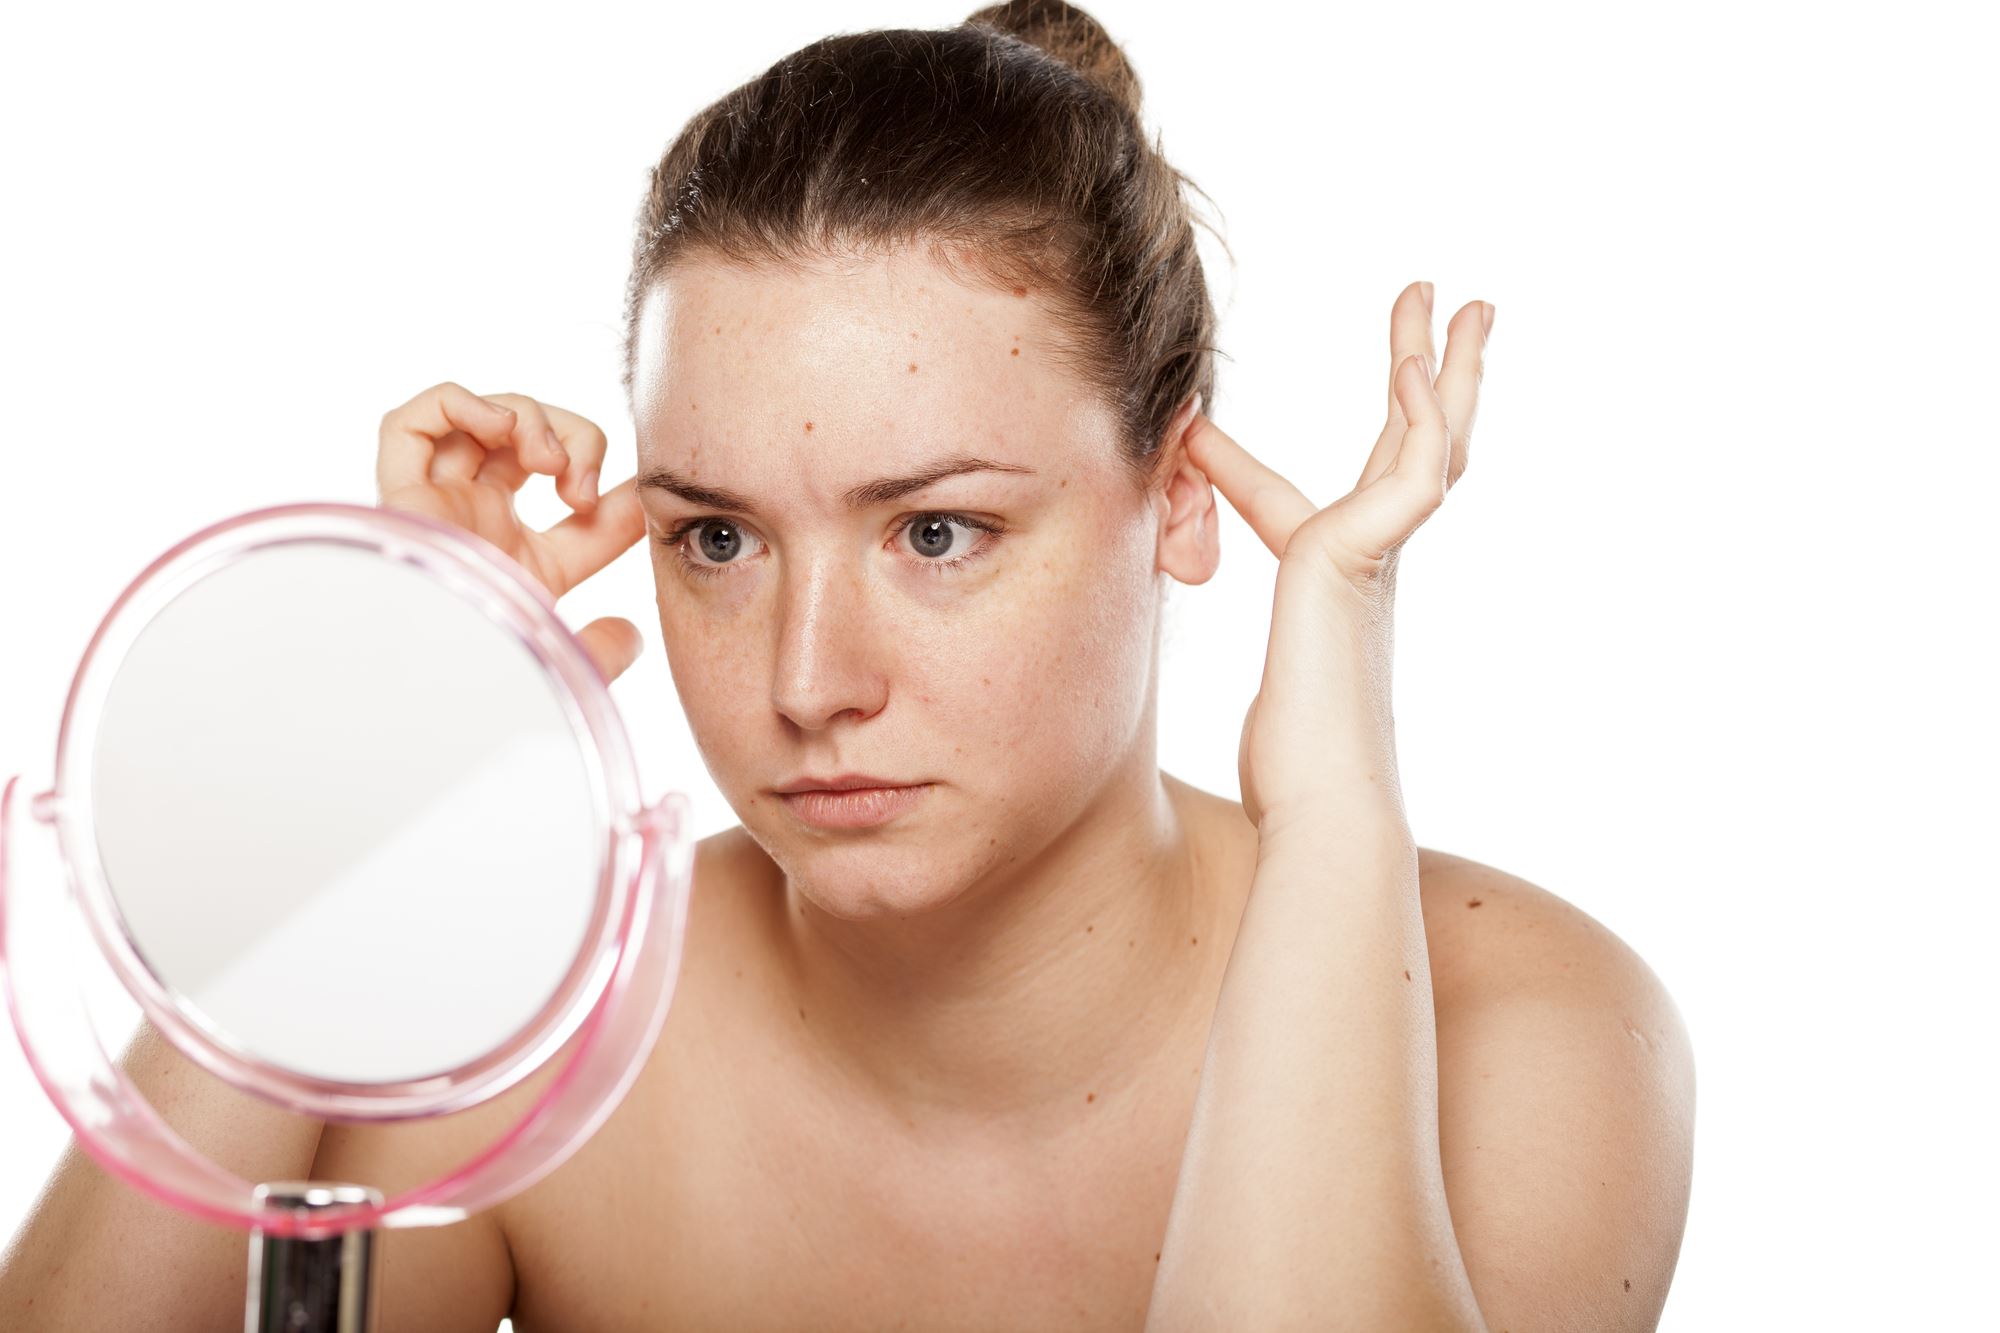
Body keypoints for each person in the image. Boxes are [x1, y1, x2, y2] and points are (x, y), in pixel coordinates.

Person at [0, 2, 1694, 1328]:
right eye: (718, 539)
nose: (808, 681)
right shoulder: (538, 1041)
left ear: (1179, 496)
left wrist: (1337, 808)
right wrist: (357, 840)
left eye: (937, 532)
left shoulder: (1523, 1037)